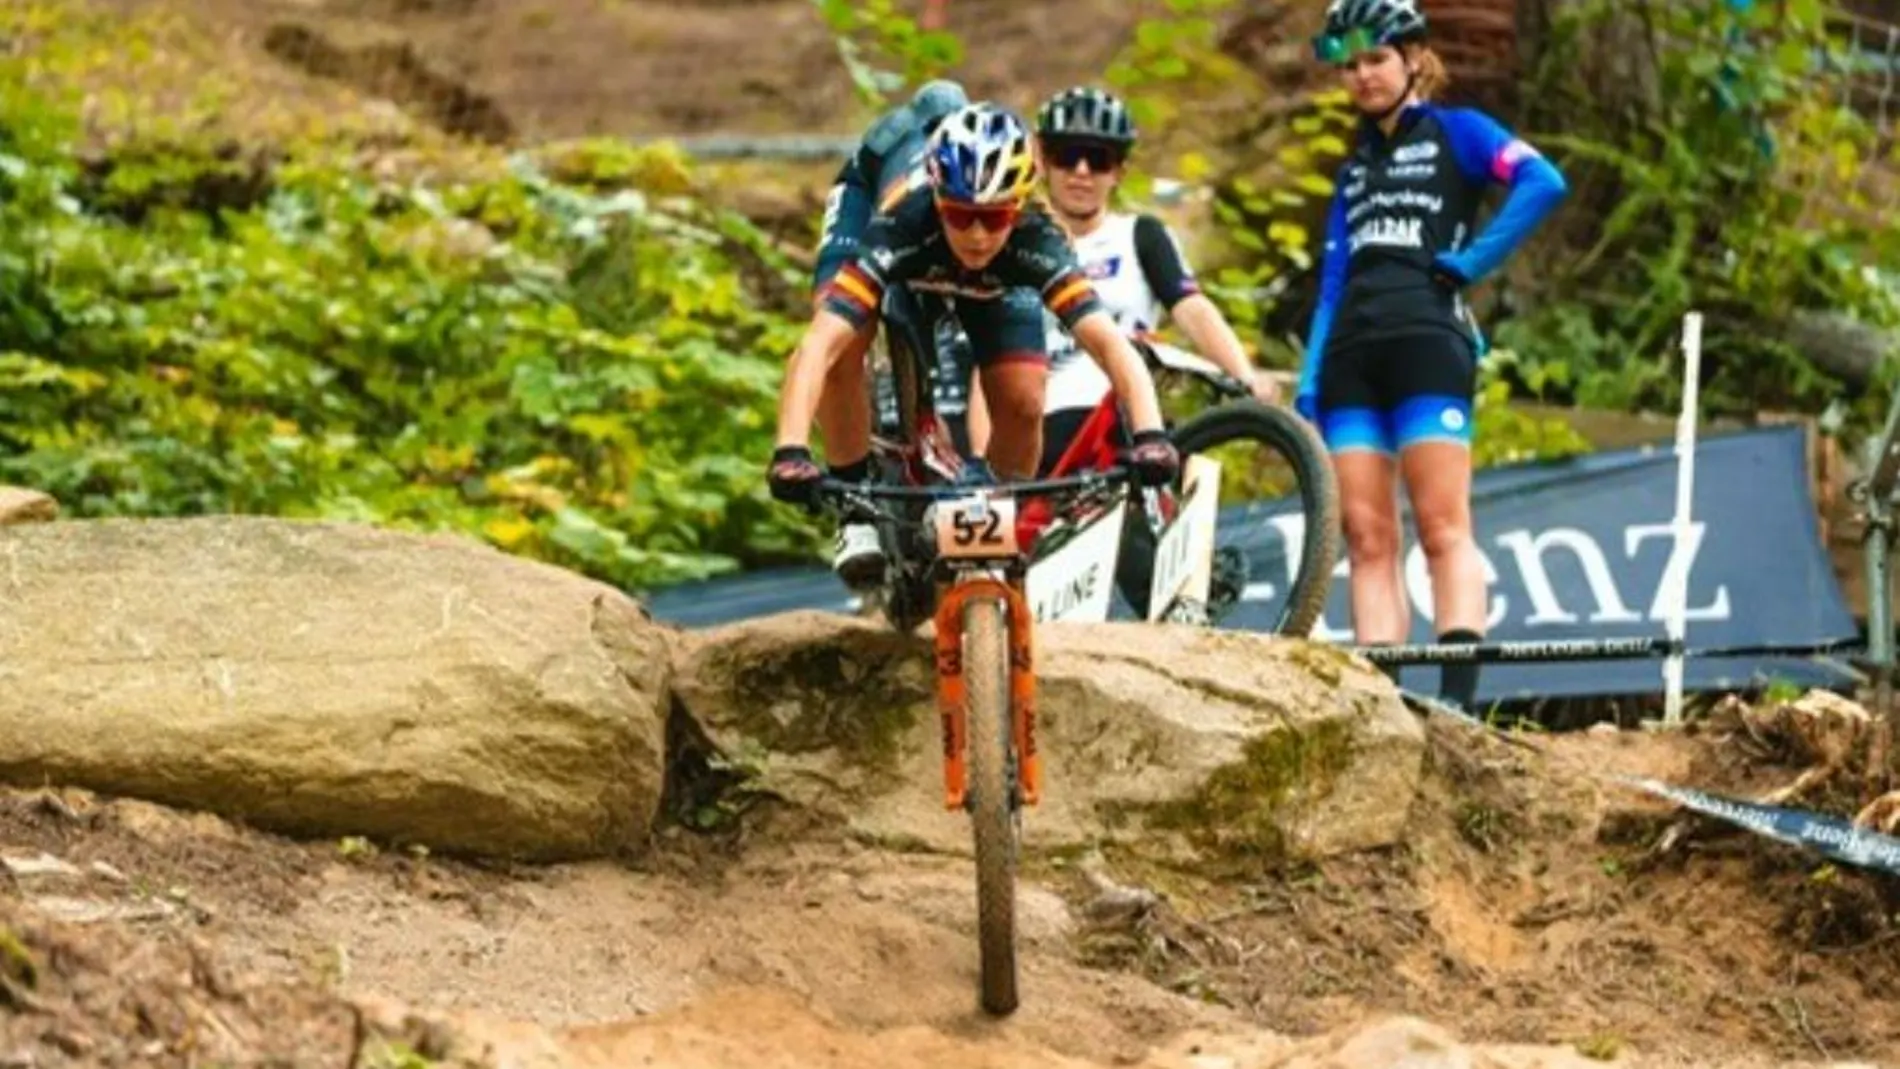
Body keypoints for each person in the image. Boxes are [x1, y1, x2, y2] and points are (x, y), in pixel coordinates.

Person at [1294, 0, 1568, 710]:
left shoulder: (1460, 131)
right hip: (1353, 355)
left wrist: (1473, 260)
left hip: (1428, 341)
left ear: (1413, 57)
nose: (1363, 76)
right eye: (1350, 65)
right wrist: (1309, 378)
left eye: (1377, 59)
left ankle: (1458, 708)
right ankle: (1385, 706)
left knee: (1444, 524)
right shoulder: (1351, 171)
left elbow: (1544, 181)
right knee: (1366, 534)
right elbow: (1330, 284)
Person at [768, 102, 1183, 565]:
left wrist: (1149, 434)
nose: (979, 236)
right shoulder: (903, 224)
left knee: (1024, 401)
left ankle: (996, 525)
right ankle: (856, 515)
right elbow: (816, 347)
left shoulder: (1037, 239)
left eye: (996, 217)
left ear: (1019, 208)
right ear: (940, 201)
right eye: (962, 217)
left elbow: (1110, 345)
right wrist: (792, 449)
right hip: (874, 204)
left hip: (986, 277)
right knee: (845, 348)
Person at [1021, 84, 1278, 478]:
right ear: (1043, 162)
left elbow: (1193, 310)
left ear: (1120, 171)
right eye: (1067, 156)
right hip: (1037, 418)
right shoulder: (1013, 241)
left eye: (1098, 159)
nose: (1081, 172)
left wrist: (1246, 377)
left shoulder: (1140, 235)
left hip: (1121, 417)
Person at [806, 79, 977, 585]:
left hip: (936, 213)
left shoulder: (979, 161)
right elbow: (886, 256)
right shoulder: (895, 160)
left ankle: (932, 441)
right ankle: (854, 505)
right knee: (841, 338)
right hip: (869, 204)